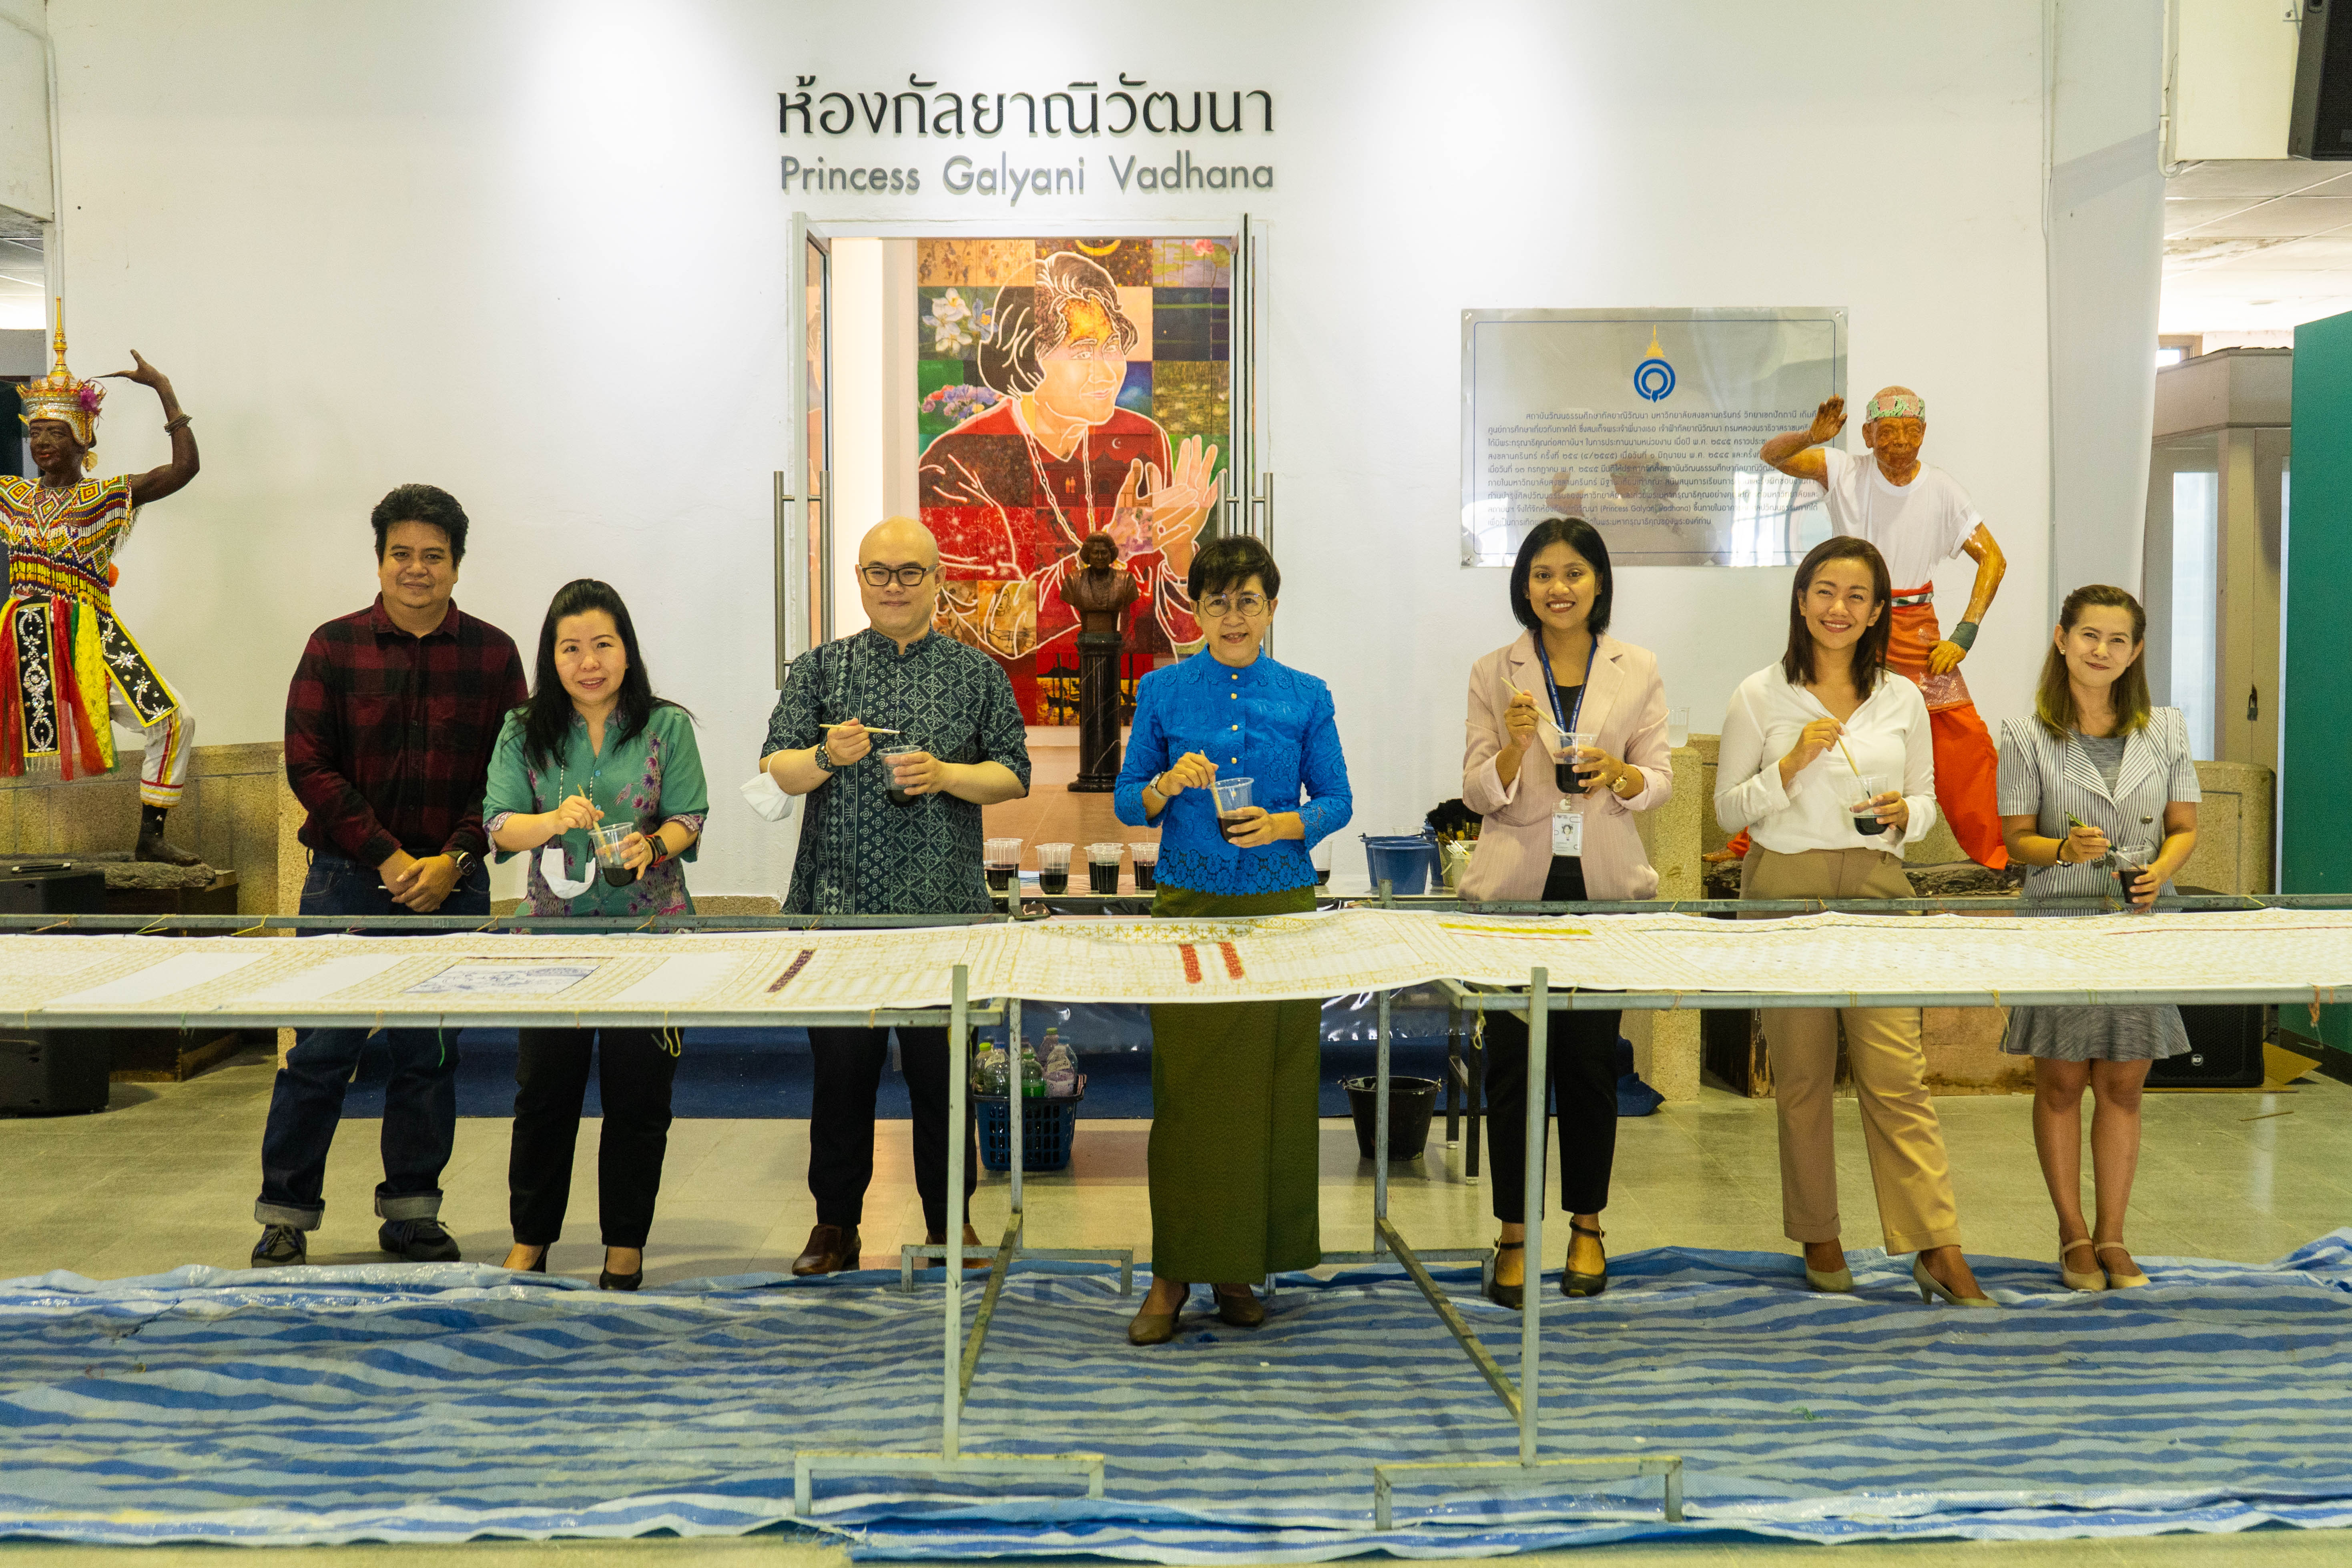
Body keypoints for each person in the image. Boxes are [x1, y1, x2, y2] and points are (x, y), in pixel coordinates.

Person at [1716, 535, 1994, 1307]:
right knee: (1802, 1076)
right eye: (1825, 591)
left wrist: (1908, 813)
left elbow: (1927, 801)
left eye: (1857, 596)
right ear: (1802, 599)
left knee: (1896, 1073)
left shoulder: (1902, 697)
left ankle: (1937, 1245)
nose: (1838, 608)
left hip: (1876, 884)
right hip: (1785, 884)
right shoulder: (1759, 694)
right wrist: (1789, 766)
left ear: (1876, 613)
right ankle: (1819, 1235)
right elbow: (1729, 809)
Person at [254, 484, 528, 1267]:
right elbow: (309, 764)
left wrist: (455, 858)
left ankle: (412, 1213)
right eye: (401, 553)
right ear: (379, 561)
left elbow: (511, 772)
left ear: (456, 565)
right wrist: (388, 854)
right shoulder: (333, 646)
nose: (417, 569)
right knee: (319, 1052)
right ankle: (285, 1214)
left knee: (429, 1053)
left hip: (453, 884)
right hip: (346, 879)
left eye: (433, 556)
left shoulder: (494, 654)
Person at [762, 516, 1031, 1277]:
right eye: (878, 572)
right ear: (858, 579)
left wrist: (946, 774)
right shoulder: (820, 669)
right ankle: (834, 1225)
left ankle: (951, 1223)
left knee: (943, 1082)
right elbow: (776, 770)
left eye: (910, 572)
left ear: (938, 580)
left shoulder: (977, 674)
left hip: (944, 913)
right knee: (840, 1077)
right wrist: (825, 754)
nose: (894, 586)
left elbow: (1014, 774)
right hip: (838, 909)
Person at [1114, 534, 1353, 1344]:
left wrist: (1285, 824)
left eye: (1248, 600)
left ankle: (1239, 1268)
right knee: (1188, 1094)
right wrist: (1163, 784)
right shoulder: (1162, 690)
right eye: (1216, 601)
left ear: (1271, 607)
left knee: (1271, 1093)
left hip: (1281, 905)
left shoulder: (1306, 695)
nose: (1233, 615)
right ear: (1196, 609)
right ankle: (1172, 1273)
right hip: (1189, 902)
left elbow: (1337, 799)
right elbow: (1126, 801)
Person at [1456, 517, 1671, 1307]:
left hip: (1600, 890)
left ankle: (1587, 1225)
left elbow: (1659, 779)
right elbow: (1476, 791)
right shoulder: (1494, 670)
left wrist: (1620, 773)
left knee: (1589, 1066)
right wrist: (1515, 748)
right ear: (1525, 585)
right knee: (1513, 1068)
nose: (1558, 587)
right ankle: (1514, 1233)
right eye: (1543, 573)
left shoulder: (1637, 666)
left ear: (1598, 582)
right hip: (1518, 890)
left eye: (1573, 572)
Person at [485, 580, 708, 1291]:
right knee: (543, 1095)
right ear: (551, 657)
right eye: (571, 648)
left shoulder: (666, 726)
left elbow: (690, 816)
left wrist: (655, 845)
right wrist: (552, 820)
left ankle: (625, 1246)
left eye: (603, 645)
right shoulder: (523, 729)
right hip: (554, 944)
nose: (589, 662)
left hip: (652, 935)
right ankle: (530, 1240)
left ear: (627, 651)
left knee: (639, 1099)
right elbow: (499, 823)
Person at [1997, 585, 2199, 1292]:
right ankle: (2072, 1234)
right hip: (2059, 922)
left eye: (2118, 640)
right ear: (2062, 640)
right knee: (2059, 1082)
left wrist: (2159, 871)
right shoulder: (2025, 734)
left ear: (2136, 651)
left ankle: (2113, 1235)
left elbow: (2184, 827)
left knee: (2123, 1084)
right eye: (2089, 636)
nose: (2102, 651)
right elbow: (2016, 839)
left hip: (2140, 924)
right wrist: (2062, 849)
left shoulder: (2167, 728)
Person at [919, 249, 1218, 713]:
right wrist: (1116, 547)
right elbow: (987, 626)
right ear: (1027, 355)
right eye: (1082, 352)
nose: (1108, 371)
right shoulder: (959, 461)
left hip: (1134, 711)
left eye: (1112, 346)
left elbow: (1180, 634)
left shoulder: (1140, 440)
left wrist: (1179, 554)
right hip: (1009, 718)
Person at [1752, 389, 2009, 869]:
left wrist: (1963, 635)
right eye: (1887, 432)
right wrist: (1810, 436)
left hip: (1915, 628)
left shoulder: (1942, 488)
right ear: (1867, 434)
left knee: (1965, 738)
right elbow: (1771, 456)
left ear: (1924, 433)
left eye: (1911, 431)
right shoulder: (1842, 469)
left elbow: (1992, 559)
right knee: (1808, 719)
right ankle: (1750, 841)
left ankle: (1995, 853)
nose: (1900, 442)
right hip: (1848, 620)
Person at [2, 300, 204, 863]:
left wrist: (165, 391)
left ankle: (151, 835)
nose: (43, 442)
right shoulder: (11, 496)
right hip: (24, 636)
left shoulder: (107, 496)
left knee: (174, 720)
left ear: (83, 438)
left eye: (55, 432)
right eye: (35, 433)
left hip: (92, 634)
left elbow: (184, 469)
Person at [1056, 529, 1139, 790]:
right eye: (1096, 552)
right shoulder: (1073, 581)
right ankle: (1092, 774)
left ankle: (1107, 774)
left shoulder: (1125, 581)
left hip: (1111, 645)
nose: (1101, 557)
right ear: (1087, 555)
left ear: (1112, 554)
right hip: (1088, 644)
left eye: (1105, 552)